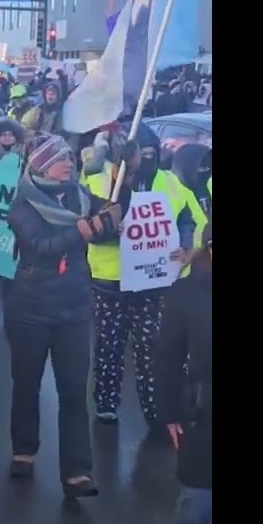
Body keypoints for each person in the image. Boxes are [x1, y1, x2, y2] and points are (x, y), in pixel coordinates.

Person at [3, 135, 120, 499]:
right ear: (39, 166)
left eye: (69, 157)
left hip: (74, 309)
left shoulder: (80, 196)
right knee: (27, 384)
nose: (68, 164)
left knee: (72, 391)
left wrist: (122, 192)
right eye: (58, 159)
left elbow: (111, 220)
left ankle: (77, 471)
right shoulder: (22, 204)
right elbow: (41, 247)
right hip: (30, 310)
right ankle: (23, 450)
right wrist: (86, 229)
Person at [82, 124, 198, 431]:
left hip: (153, 280)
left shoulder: (169, 181)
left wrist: (186, 244)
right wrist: (109, 227)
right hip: (110, 280)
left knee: (152, 347)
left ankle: (156, 410)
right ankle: (106, 404)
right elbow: (86, 223)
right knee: (110, 344)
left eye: (151, 155)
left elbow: (186, 217)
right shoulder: (101, 179)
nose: (144, 161)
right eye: (138, 156)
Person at [154, 221, 213, 524]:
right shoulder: (188, 293)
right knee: (198, 498)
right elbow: (168, 356)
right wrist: (170, 411)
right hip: (203, 412)